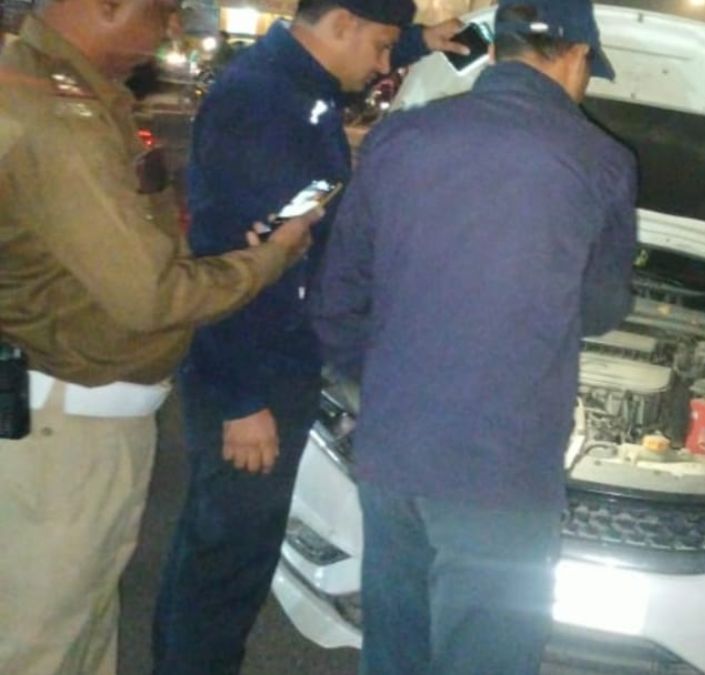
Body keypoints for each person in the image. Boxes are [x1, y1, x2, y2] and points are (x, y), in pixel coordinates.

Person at [310, 0, 637, 671]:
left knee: (395, 651)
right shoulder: (601, 158)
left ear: (495, 50)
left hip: (393, 455)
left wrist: (383, 391)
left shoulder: (401, 136)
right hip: (500, 468)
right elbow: (603, 307)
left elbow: (338, 297)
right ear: (577, 56)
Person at [0, 0, 319, 672]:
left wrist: (226, 262)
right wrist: (271, 258)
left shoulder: (75, 93)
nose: (171, 27)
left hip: (78, 418)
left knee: (81, 628)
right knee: (42, 641)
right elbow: (152, 296)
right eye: (164, 10)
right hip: (65, 428)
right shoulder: (55, 114)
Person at [150, 1, 466, 673]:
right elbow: (221, 258)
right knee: (225, 561)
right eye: (381, 46)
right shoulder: (263, 103)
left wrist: (418, 40)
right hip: (251, 371)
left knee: (229, 549)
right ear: (342, 23)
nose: (384, 64)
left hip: (275, 360)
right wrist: (241, 399)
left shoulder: (298, 83)